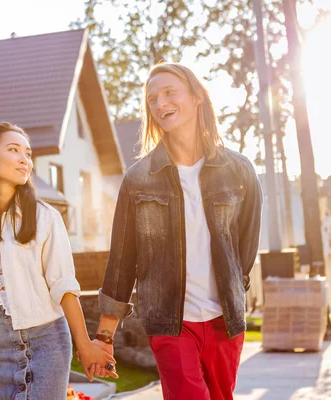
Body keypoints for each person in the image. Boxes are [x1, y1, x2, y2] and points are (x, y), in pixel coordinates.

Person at [89, 63, 263, 399]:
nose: (160, 103)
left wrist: (233, 294)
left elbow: (245, 248)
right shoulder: (138, 179)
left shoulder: (239, 171)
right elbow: (122, 260)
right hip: (169, 323)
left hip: (224, 322)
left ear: (197, 96)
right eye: (152, 99)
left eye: (170, 93)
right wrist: (105, 336)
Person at [0, 122, 117, 400]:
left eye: (28, 153)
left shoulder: (45, 217)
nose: (25, 160)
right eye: (14, 150)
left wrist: (84, 343)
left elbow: (64, 285)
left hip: (47, 341)